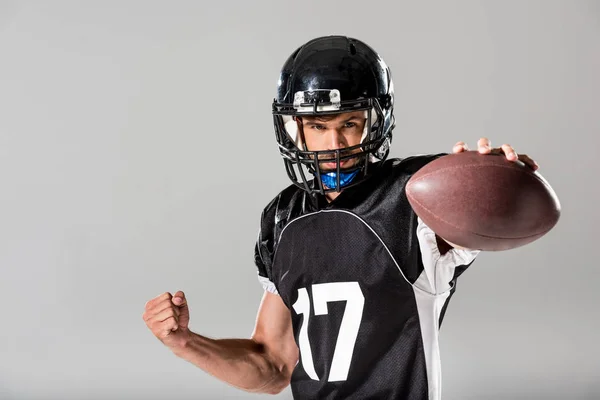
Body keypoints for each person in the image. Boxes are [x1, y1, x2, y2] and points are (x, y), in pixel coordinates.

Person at [142, 35, 538, 399]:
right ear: (295, 130)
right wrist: (186, 343)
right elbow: (273, 365)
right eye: (318, 126)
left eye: (349, 123)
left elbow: (494, 207)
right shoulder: (282, 217)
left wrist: (500, 180)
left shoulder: (416, 195)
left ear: (375, 120)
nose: (335, 144)